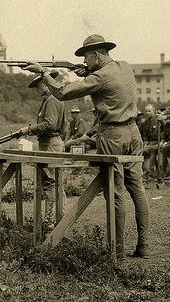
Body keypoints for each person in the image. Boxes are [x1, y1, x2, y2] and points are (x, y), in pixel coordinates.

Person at [24, 34, 150, 259]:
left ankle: (118, 251)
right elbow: (109, 82)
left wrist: (43, 72)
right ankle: (144, 246)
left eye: (86, 58)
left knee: (116, 191)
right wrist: (89, 72)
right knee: (137, 189)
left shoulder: (99, 77)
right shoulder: (125, 66)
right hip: (134, 132)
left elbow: (62, 93)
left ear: (95, 54)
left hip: (113, 134)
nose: (84, 62)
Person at [17, 71, 65, 224]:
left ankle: (52, 219)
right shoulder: (49, 99)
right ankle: (57, 217)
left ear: (46, 84)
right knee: (51, 181)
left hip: (51, 144)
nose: (37, 91)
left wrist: (30, 129)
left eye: (38, 87)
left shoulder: (52, 100)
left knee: (51, 182)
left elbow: (50, 124)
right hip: (48, 143)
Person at [140, 104, 161, 179]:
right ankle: (144, 171)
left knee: (153, 150)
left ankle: (152, 170)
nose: (147, 113)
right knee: (141, 151)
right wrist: (145, 143)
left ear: (154, 111)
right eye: (146, 111)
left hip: (159, 142)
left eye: (149, 111)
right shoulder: (146, 122)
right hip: (150, 142)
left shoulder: (159, 120)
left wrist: (162, 141)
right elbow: (145, 134)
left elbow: (164, 132)